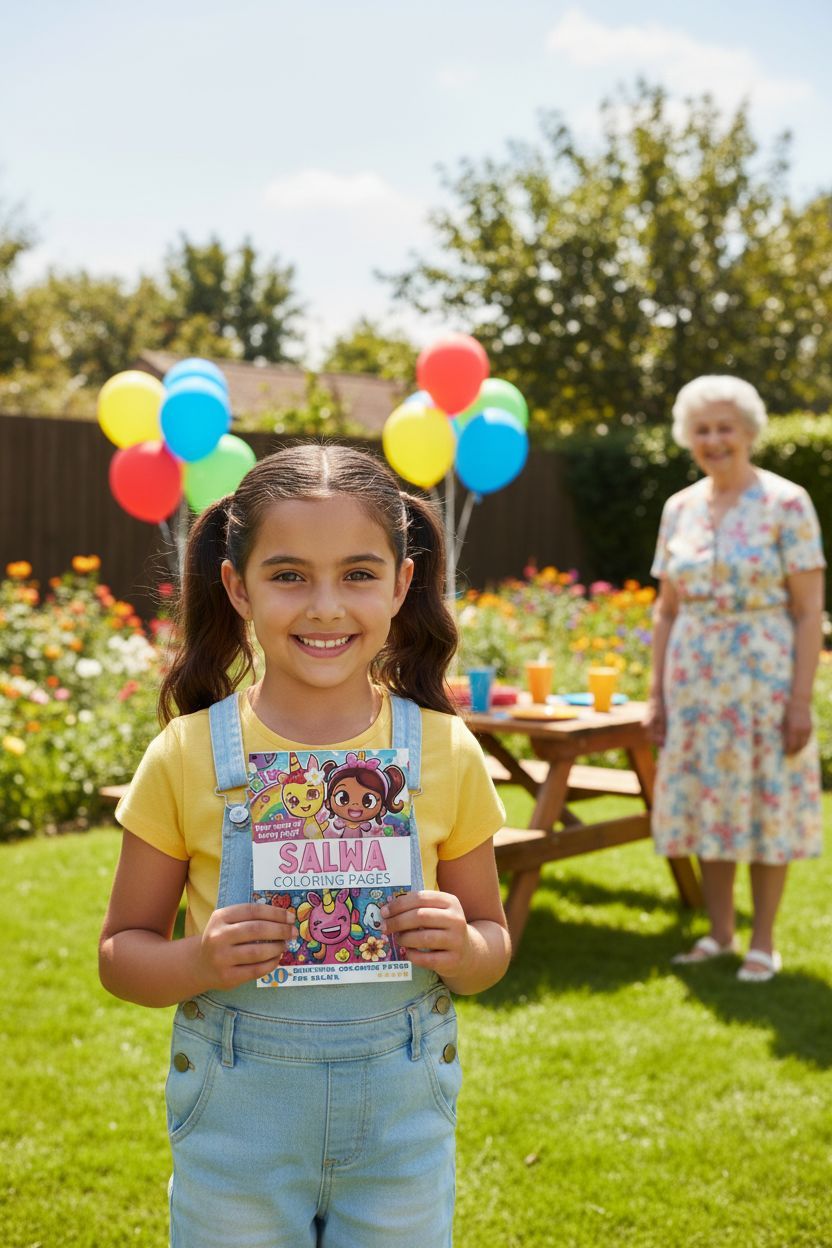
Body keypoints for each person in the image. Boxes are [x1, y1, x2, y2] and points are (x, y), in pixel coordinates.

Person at [99, 444, 510, 1248]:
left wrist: (463, 948)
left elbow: (494, 943)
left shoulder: (445, 751)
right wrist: (197, 962)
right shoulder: (186, 754)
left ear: (401, 584)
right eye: (289, 575)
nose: (325, 606)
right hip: (237, 1119)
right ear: (237, 587)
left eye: (358, 574)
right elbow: (121, 952)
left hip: (403, 1122)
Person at [645, 375, 825, 984]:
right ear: (687, 437)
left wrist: (801, 701)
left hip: (764, 682)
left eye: (726, 427)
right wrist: (655, 695)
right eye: (703, 429)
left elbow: (807, 613)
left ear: (748, 431)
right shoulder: (680, 508)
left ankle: (764, 942)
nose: (715, 439)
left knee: (764, 805)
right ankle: (721, 934)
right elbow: (666, 609)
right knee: (707, 807)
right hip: (694, 683)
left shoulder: (788, 502)